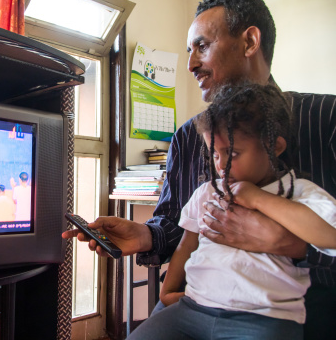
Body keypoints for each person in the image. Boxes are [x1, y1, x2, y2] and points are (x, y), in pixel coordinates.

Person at [61, 0, 336, 339]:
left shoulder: (327, 120)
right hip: (197, 304)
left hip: (298, 313)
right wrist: (145, 235)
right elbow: (178, 225)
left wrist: (293, 246)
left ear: (249, 41)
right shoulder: (188, 137)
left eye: (201, 46)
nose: (190, 64)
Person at [130, 84, 336, 339]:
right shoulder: (207, 192)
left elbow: (330, 236)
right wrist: (167, 292)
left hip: (264, 319)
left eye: (233, 153)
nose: (221, 165)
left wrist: (258, 198)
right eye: (215, 154)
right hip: (193, 308)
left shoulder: (299, 192)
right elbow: (186, 244)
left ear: (275, 147)